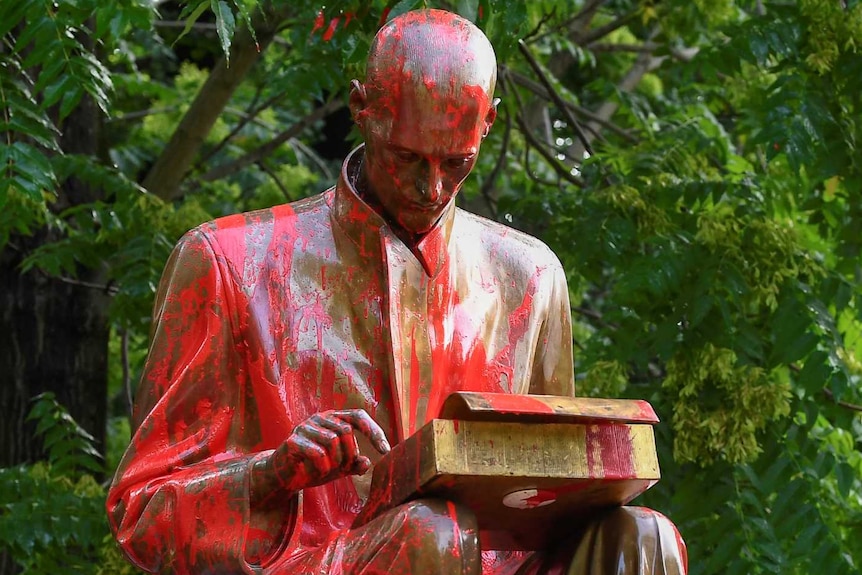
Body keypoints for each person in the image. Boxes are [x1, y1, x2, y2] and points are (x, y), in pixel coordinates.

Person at [107, 9, 688, 575]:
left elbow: (553, 501)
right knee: (428, 535)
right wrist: (271, 474)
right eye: (407, 157)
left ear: (488, 125)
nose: (431, 186)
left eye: (456, 163)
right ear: (361, 107)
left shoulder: (531, 278)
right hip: (314, 561)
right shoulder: (227, 262)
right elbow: (145, 517)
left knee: (641, 536)